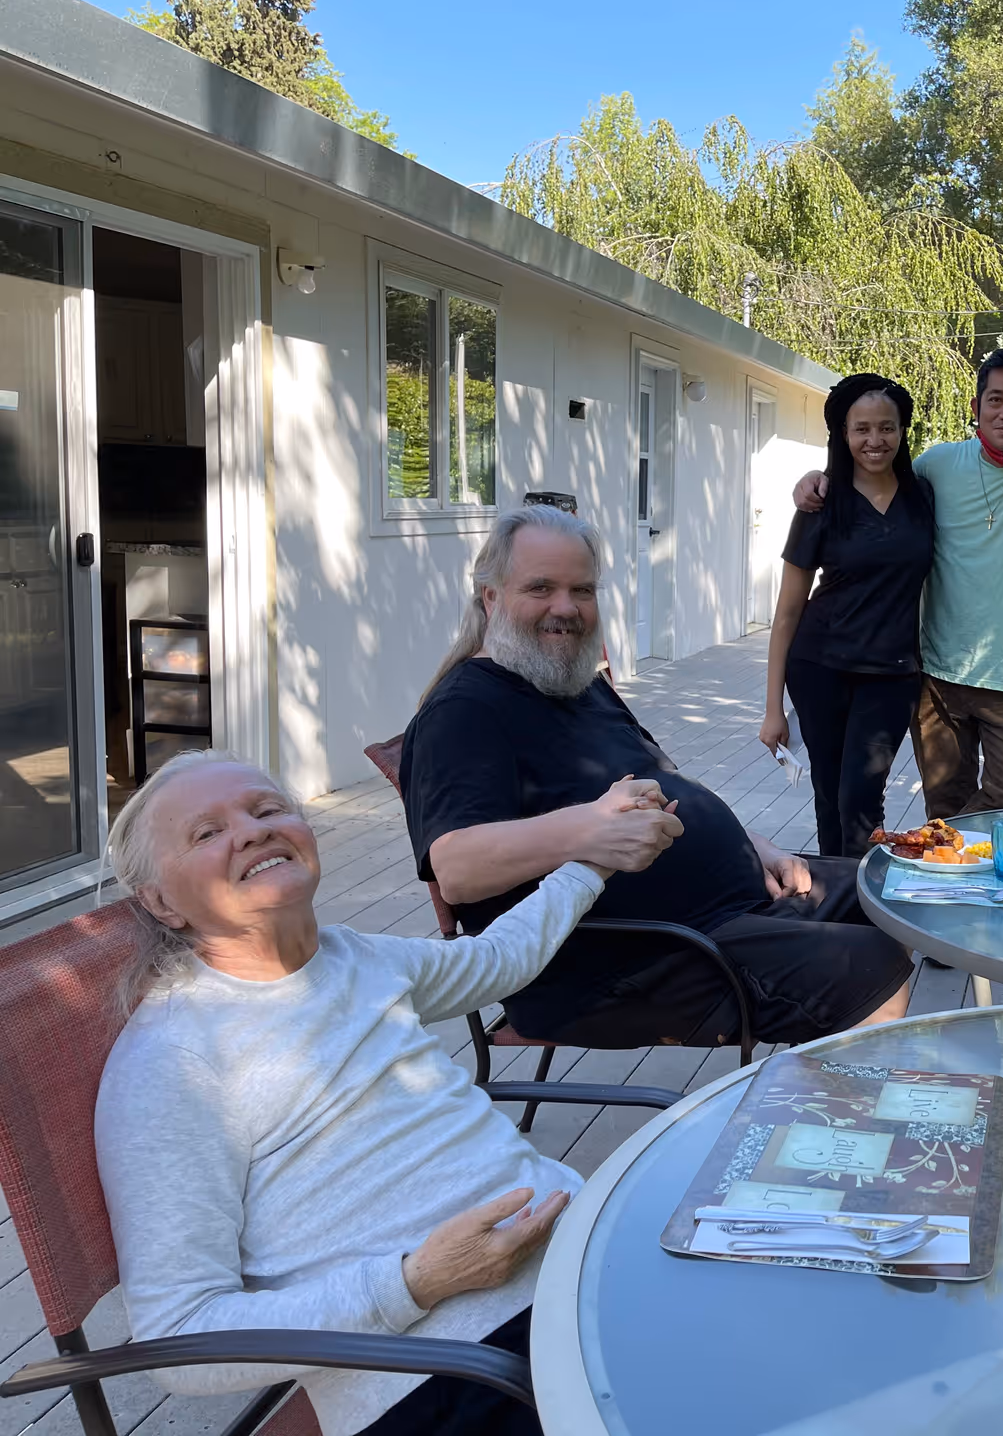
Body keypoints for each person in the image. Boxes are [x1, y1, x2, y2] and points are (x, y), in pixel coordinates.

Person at [96, 749, 677, 1436]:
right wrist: (414, 1282)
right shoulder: (175, 1060)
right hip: (453, 1373)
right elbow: (179, 1342)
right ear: (160, 901)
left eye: (266, 809)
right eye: (206, 832)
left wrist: (597, 855)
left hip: (586, 1263)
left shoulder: (351, 957)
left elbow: (496, 961)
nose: (251, 832)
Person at [401, 504, 912, 1051]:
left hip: (723, 909)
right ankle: (841, 1123)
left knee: (888, 890)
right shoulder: (465, 710)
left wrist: (754, 846)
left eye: (583, 590)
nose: (566, 608)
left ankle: (819, 1095)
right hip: (626, 962)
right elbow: (456, 869)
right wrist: (588, 829)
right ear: (491, 596)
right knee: (868, 965)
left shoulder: (577, 684)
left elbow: (669, 785)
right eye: (541, 588)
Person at [795, 347, 1003, 818]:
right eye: (995, 399)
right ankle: (954, 874)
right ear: (975, 408)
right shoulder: (937, 465)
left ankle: (957, 844)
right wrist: (818, 478)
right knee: (944, 802)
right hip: (935, 677)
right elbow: (872, 475)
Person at [759, 374, 936, 856]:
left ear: (902, 432)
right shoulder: (820, 503)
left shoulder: (924, 497)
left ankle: (864, 903)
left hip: (892, 674)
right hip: (819, 668)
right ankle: (836, 899)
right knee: (828, 791)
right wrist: (773, 709)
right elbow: (788, 612)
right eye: (862, 429)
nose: (875, 440)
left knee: (861, 796)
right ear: (842, 433)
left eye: (887, 428)